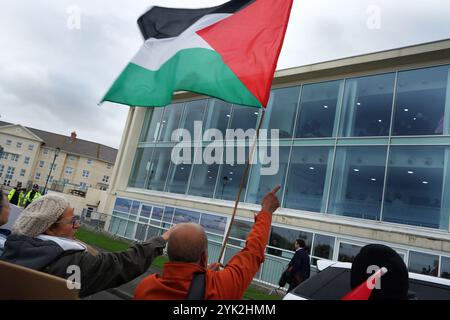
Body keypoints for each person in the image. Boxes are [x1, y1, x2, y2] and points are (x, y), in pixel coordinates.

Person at [0, 194, 171, 298]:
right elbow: (121, 264)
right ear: (50, 228)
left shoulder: (12, 247)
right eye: (72, 221)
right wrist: (161, 240)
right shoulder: (72, 262)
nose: (78, 225)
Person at [134, 185, 282, 300]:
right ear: (204, 256)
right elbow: (252, 253)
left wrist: (205, 274)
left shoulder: (145, 288)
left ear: (169, 252)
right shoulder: (220, 286)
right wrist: (266, 211)